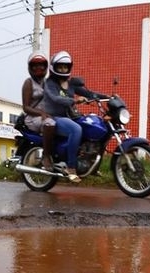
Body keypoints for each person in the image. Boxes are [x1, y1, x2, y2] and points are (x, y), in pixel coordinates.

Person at [42, 50, 100, 182]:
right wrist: (74, 100)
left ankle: (90, 163)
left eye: (65, 67)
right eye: (60, 66)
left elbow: (89, 93)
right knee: (76, 129)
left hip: (70, 116)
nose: (63, 69)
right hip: (54, 117)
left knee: (90, 125)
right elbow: (55, 98)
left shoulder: (72, 84)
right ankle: (71, 167)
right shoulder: (50, 83)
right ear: (54, 67)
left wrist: (108, 97)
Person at [21, 51, 56, 170]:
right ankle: (46, 157)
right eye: (35, 65)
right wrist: (41, 113)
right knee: (50, 123)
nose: (38, 68)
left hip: (46, 115)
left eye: (41, 65)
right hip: (33, 118)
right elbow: (25, 107)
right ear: (30, 67)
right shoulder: (28, 83)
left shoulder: (48, 83)